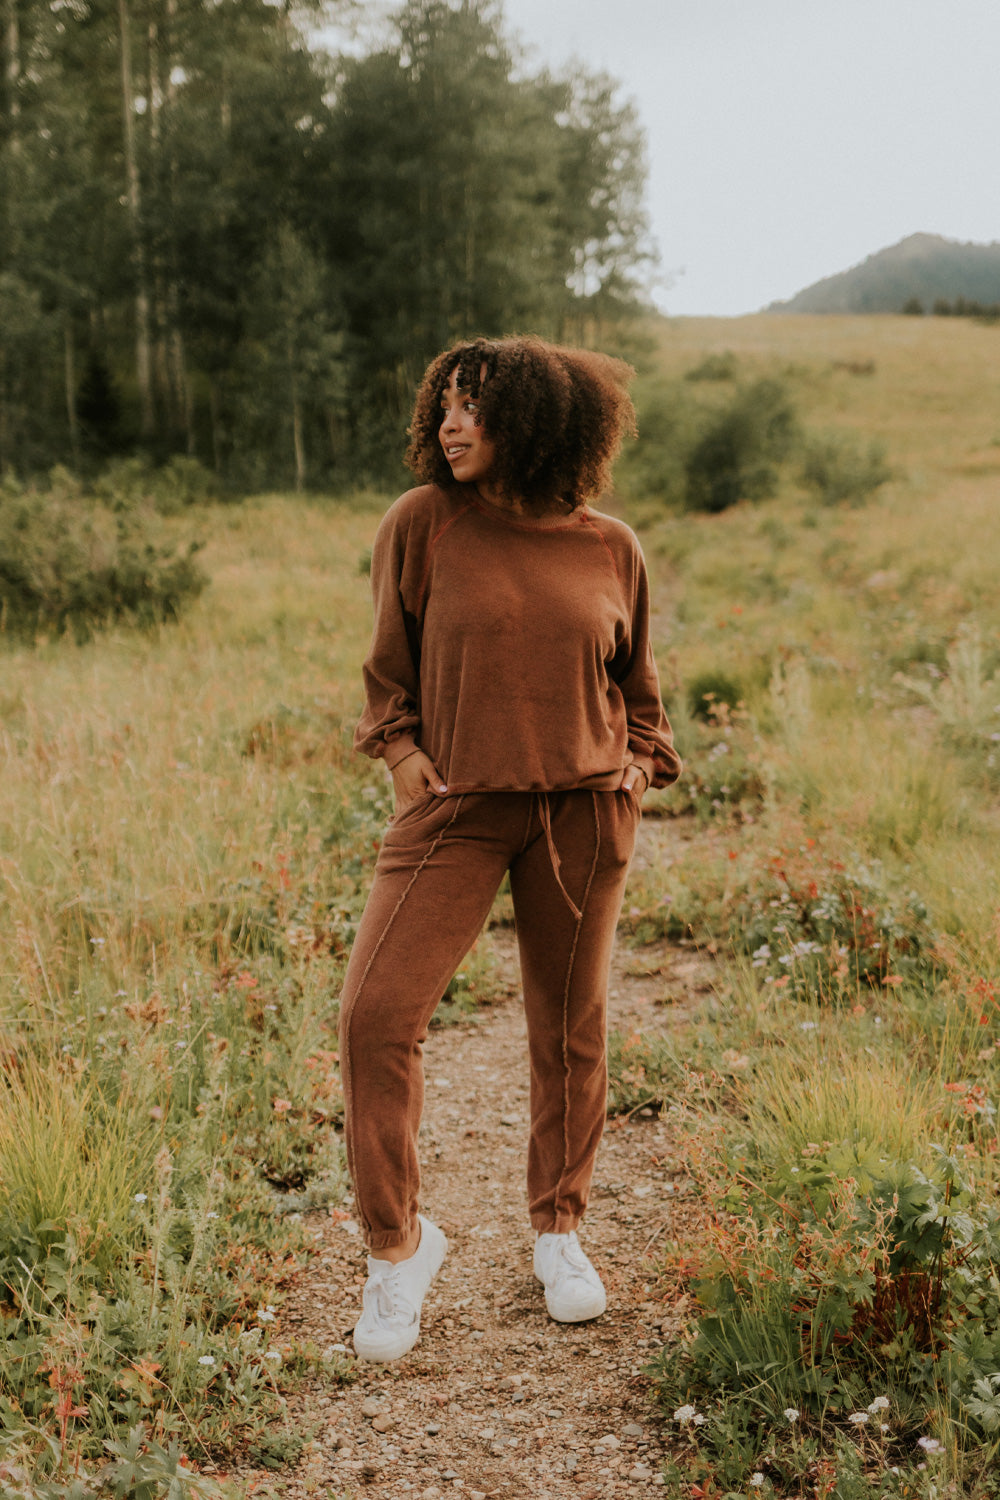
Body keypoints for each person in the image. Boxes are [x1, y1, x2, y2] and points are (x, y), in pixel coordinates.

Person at [339, 335, 681, 1362]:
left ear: (535, 423)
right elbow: (386, 671)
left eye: (475, 407)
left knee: (569, 1031)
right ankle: (399, 1250)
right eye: (444, 404)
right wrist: (399, 752)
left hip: (580, 814)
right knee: (373, 1017)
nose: (451, 424)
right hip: (456, 808)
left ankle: (559, 1231)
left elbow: (640, 691)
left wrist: (640, 765)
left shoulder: (609, 546)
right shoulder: (424, 523)